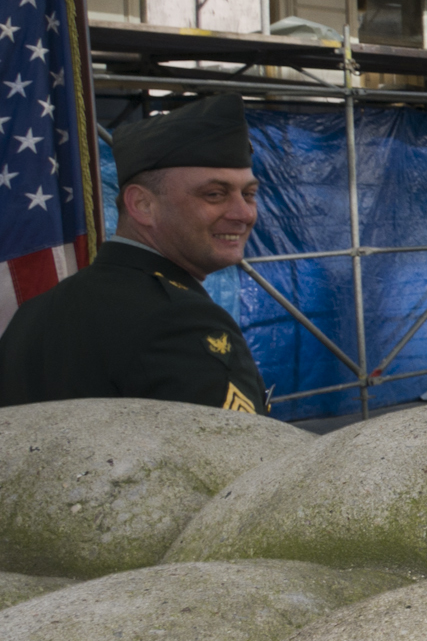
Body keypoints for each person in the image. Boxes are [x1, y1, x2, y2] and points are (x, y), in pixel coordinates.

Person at [0, 93, 268, 411]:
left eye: (249, 194)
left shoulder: (32, 315)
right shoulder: (179, 321)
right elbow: (238, 444)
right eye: (214, 194)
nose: (243, 213)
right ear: (142, 205)